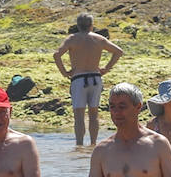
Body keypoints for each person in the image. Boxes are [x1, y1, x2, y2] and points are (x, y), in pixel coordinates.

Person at [53, 13, 124, 146]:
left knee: (79, 116)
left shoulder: (72, 39)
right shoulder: (99, 39)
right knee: (94, 114)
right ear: (91, 26)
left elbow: (57, 55)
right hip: (95, 78)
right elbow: (118, 51)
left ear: (78, 26)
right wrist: (106, 68)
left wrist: (64, 72)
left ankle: (79, 145)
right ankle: (93, 144)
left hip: (79, 79)